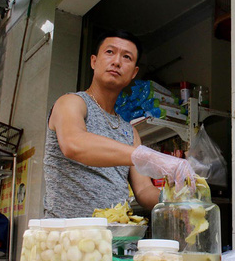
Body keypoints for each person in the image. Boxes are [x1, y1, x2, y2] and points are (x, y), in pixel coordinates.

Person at [43, 29, 195, 218]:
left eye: (127, 57)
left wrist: (177, 198)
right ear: (93, 61)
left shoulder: (129, 132)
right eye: (109, 52)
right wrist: (150, 157)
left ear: (134, 73)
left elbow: (143, 191)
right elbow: (74, 143)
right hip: (68, 239)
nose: (116, 61)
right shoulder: (71, 103)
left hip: (117, 240)